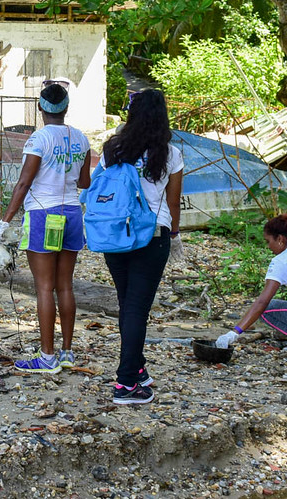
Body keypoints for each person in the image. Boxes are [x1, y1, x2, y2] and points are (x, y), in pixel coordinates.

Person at [0, 83, 91, 375]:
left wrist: (4, 222)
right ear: (66, 108)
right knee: (65, 285)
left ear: (40, 108)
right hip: (72, 213)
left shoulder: (38, 139)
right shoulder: (81, 138)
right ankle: (67, 352)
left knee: (44, 287)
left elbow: (24, 183)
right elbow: (84, 182)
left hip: (43, 214)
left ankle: (46, 356)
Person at [97, 89, 183, 405]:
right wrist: (174, 236)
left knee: (127, 303)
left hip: (114, 232)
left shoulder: (112, 149)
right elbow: (173, 203)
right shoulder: (170, 154)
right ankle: (126, 384)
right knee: (137, 307)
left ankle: (137, 366)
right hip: (152, 235)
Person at [215, 215, 287, 350]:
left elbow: (262, 302)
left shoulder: (280, 261)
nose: (268, 246)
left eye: (268, 241)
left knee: (267, 309)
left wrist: (234, 333)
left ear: (280, 239)